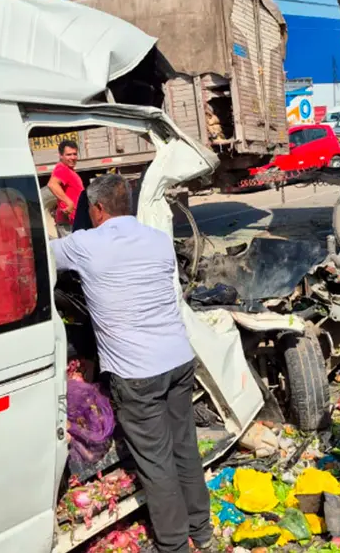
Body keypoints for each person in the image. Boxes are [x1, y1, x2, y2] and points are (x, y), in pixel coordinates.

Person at [49, 174, 211, 553]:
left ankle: (173, 545)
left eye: (90, 208)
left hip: (138, 373)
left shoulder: (85, 243)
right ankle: (201, 530)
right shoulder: (157, 239)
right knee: (184, 446)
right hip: (178, 359)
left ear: (98, 209)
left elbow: (35, 257)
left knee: (155, 460)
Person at [47, 140, 84, 236]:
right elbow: (52, 184)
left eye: (74, 154)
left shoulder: (69, 170)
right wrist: (69, 203)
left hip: (73, 222)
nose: (72, 157)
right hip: (68, 224)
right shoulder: (62, 169)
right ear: (61, 155)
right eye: (68, 154)